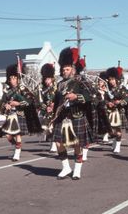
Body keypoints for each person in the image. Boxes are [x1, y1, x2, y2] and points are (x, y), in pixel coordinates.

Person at [52, 47, 93, 180]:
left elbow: (91, 95)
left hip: (77, 116)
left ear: (73, 69)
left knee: (77, 145)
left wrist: (77, 97)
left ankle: (77, 170)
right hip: (62, 117)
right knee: (58, 143)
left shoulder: (81, 81)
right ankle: (66, 167)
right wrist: (52, 109)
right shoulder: (59, 85)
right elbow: (57, 101)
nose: (65, 71)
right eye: (63, 69)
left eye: (67, 69)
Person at [38, 63, 57, 152]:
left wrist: (54, 104)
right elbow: (40, 102)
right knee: (48, 129)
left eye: (48, 79)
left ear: (52, 78)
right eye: (45, 79)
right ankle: (53, 143)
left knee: (53, 127)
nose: (46, 81)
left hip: (57, 110)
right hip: (47, 111)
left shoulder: (57, 87)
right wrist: (46, 107)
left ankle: (54, 144)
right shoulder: (43, 90)